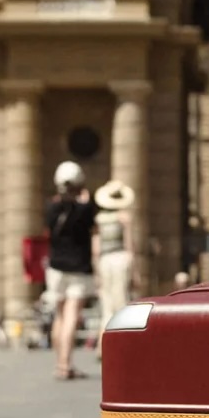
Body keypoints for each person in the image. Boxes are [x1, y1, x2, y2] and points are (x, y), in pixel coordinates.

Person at [45, 160, 95, 381]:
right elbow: (91, 228)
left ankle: (58, 363)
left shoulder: (51, 208)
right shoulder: (84, 209)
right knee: (71, 315)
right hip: (78, 267)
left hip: (55, 267)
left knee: (59, 315)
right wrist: (84, 201)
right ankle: (66, 365)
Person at [94, 179, 136, 334]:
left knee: (106, 305)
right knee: (121, 302)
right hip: (120, 258)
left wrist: (96, 271)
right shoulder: (124, 217)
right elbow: (129, 244)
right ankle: (119, 340)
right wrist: (134, 270)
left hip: (104, 260)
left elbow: (96, 249)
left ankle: (102, 343)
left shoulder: (99, 219)